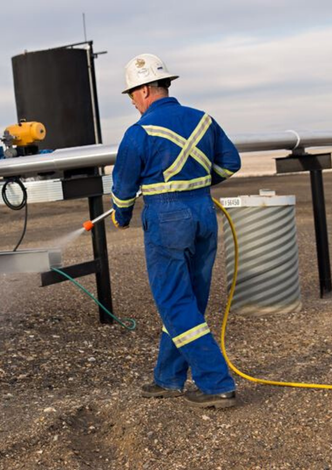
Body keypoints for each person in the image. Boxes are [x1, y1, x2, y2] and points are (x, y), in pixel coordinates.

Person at [111, 53, 241, 409]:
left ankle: (216, 383)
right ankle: (168, 379)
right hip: (203, 215)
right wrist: (197, 186)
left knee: (174, 302)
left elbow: (123, 185)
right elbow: (232, 163)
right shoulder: (203, 120)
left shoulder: (138, 133)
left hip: (167, 221)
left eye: (132, 95)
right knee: (189, 302)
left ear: (145, 90)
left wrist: (122, 215)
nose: (133, 103)